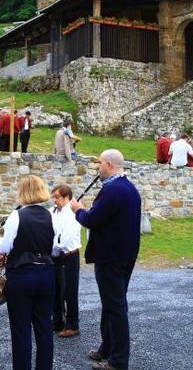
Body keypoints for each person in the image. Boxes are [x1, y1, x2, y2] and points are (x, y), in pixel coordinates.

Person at [70, 149, 141, 370]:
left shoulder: (113, 190)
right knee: (111, 305)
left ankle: (118, 361)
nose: (98, 167)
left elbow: (92, 219)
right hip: (125, 255)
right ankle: (107, 348)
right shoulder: (129, 188)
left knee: (116, 307)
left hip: (111, 257)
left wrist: (78, 210)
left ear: (109, 164)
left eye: (100, 163)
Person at [0, 175, 57, 370]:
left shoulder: (16, 216)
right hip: (46, 273)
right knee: (44, 326)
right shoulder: (51, 214)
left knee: (21, 329)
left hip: (22, 274)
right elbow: (54, 247)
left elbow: (4, 247)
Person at [51, 184, 82, 338]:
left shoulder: (73, 213)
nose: (54, 200)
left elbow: (65, 238)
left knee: (69, 290)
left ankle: (72, 324)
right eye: (53, 197)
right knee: (56, 289)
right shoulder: (53, 211)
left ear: (66, 197)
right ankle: (57, 321)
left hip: (69, 255)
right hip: (55, 255)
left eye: (57, 197)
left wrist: (54, 249)